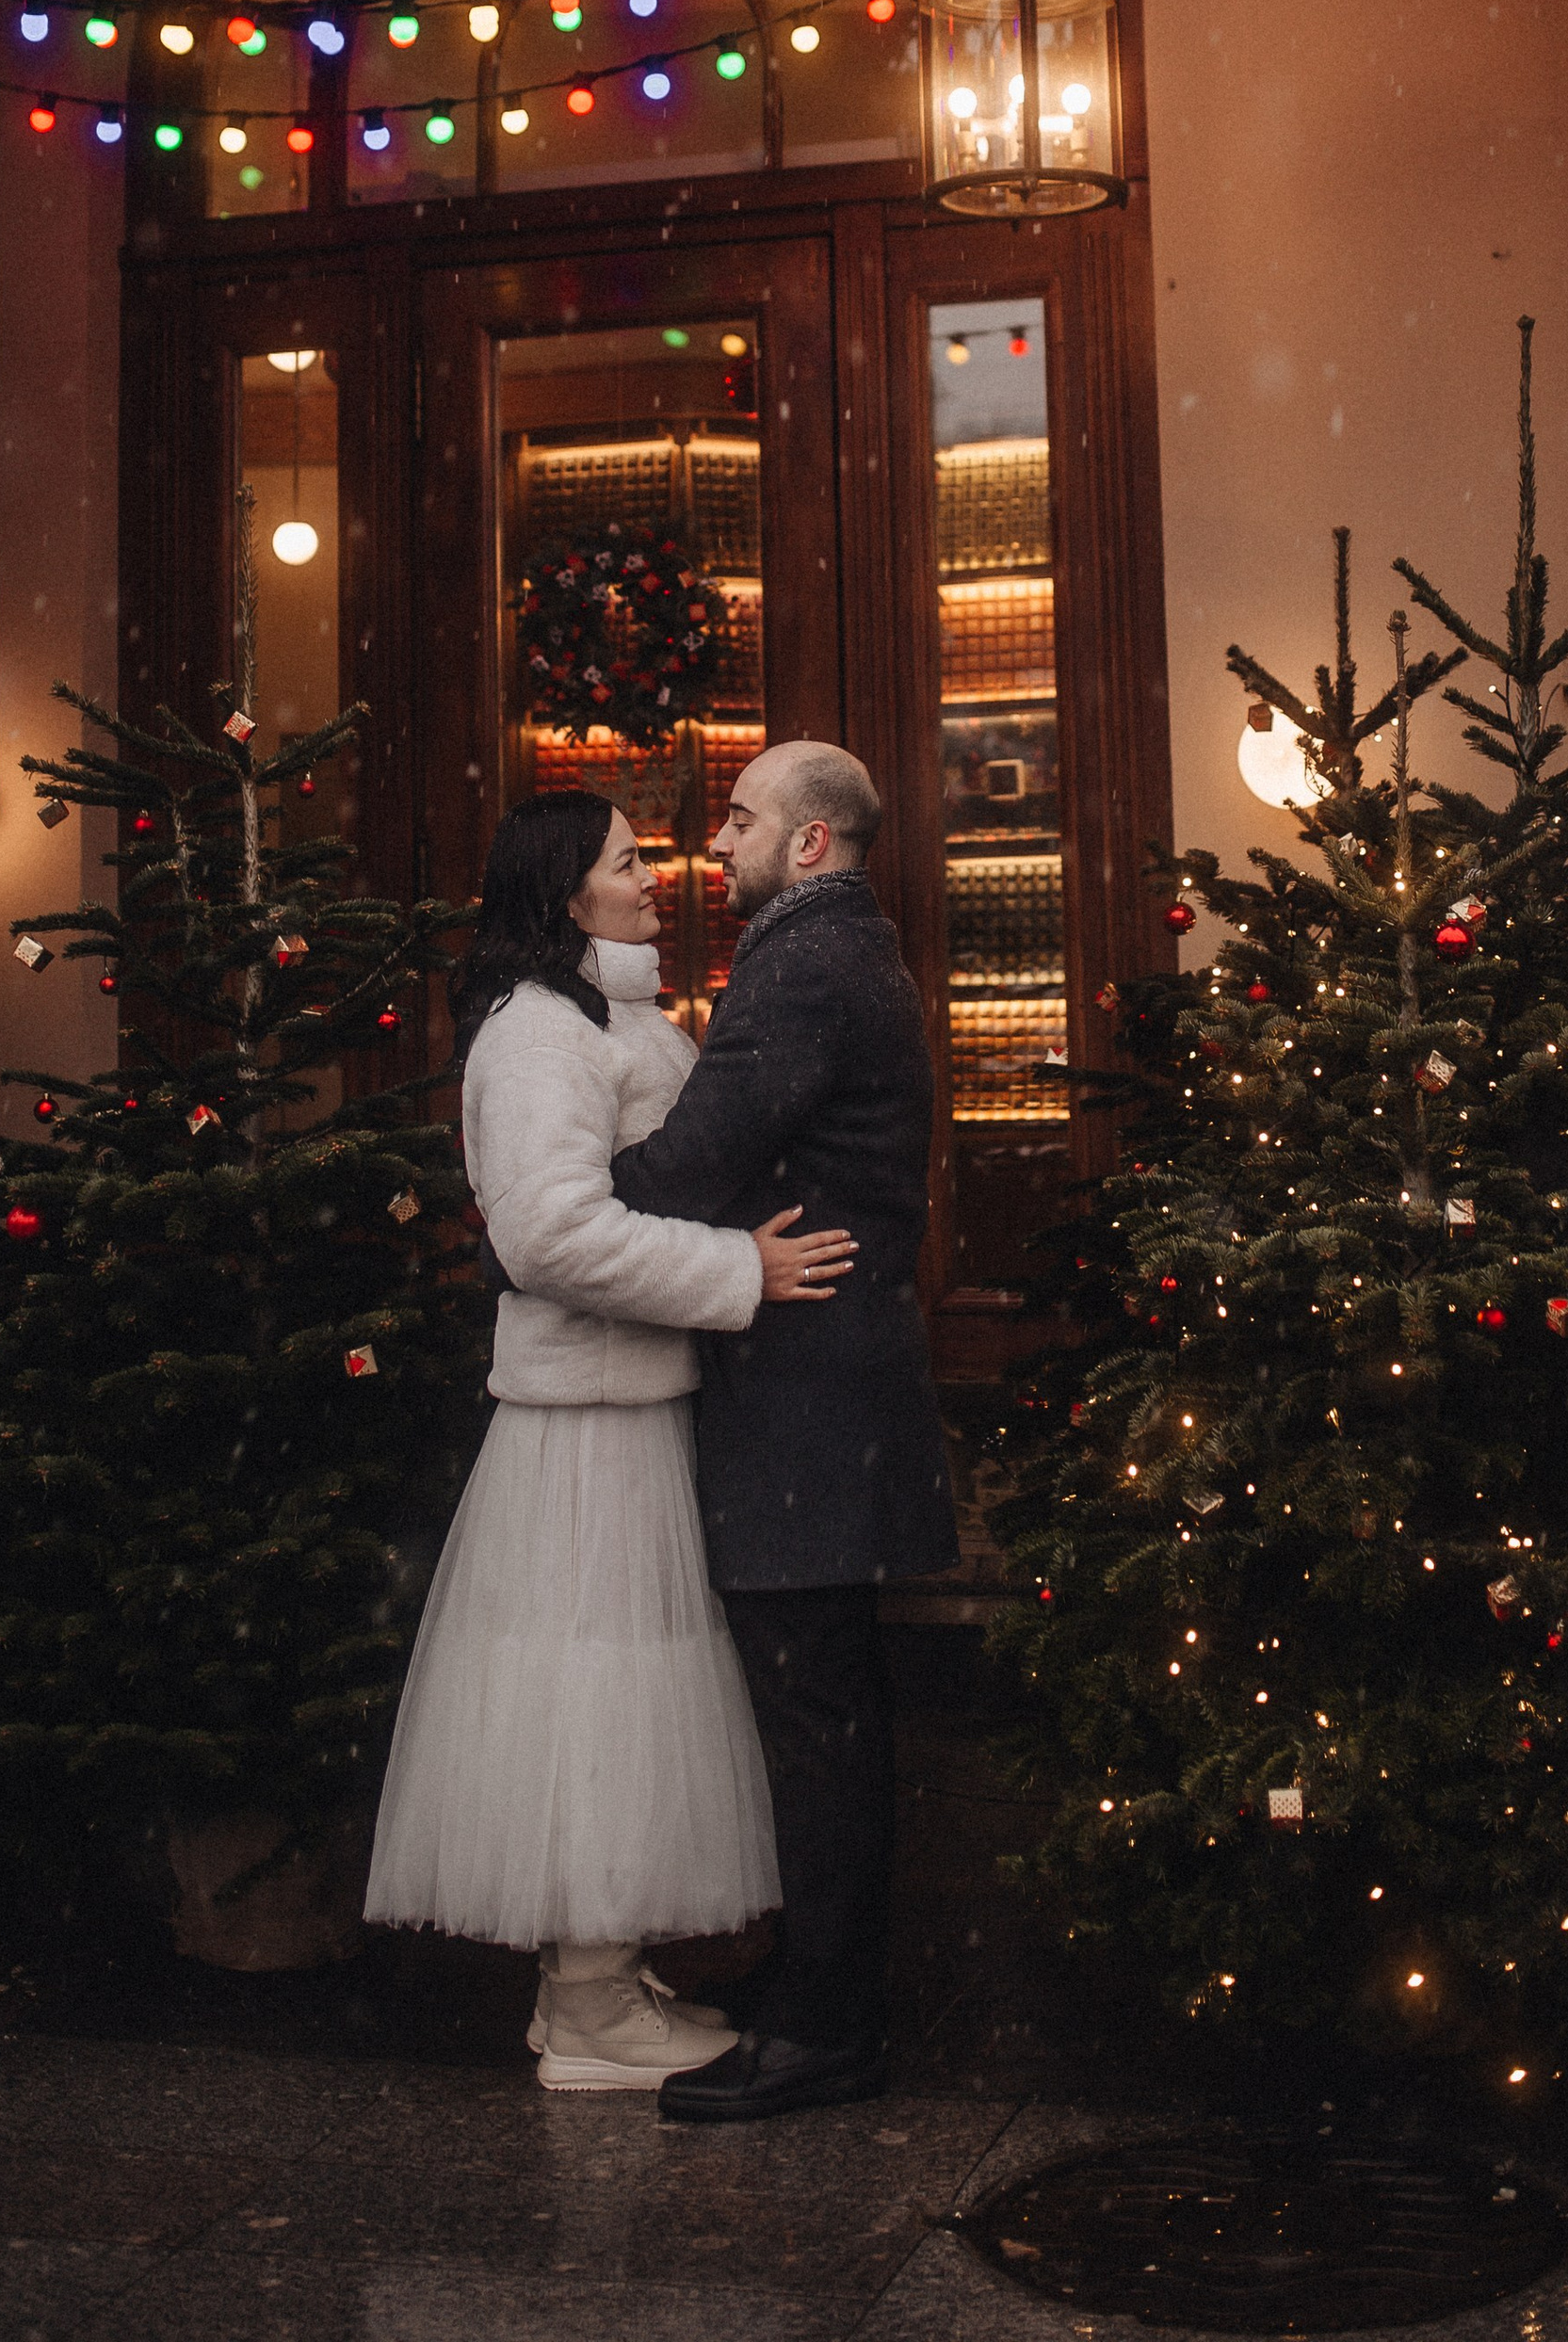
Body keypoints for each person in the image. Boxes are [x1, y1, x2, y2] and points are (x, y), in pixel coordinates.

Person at [364, 788, 858, 2092]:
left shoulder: (615, 1020)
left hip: (631, 1408)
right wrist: (736, 1271)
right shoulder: (538, 1038)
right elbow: (549, 1237)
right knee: (597, 1696)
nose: (655, 879)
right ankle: (586, 2005)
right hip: (584, 1424)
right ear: (564, 891)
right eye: (627, 862)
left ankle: (593, 1981)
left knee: (621, 1694)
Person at [611, 738, 960, 2123]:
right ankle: (815, 1982)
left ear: (810, 843)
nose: (720, 843)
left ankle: (825, 2024)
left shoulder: (805, 959)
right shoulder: (844, 946)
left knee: (818, 1716)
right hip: (832, 1383)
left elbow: (706, 1148)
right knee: (827, 1705)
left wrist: (564, 1201)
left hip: (810, 1391)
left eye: (744, 820)